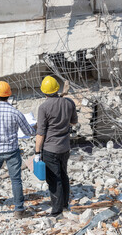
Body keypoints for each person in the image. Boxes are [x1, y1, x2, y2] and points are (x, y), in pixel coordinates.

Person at [0, 81, 36, 219]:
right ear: (9, 96)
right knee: (16, 180)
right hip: (12, 151)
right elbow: (29, 132)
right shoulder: (15, 113)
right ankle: (19, 210)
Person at [35, 76, 78, 219]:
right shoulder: (69, 103)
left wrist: (36, 152)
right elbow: (73, 123)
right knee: (64, 175)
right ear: (57, 89)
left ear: (44, 92)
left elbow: (40, 133)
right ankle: (65, 204)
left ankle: (56, 211)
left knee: (54, 179)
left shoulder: (43, 107)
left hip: (50, 149)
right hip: (65, 147)